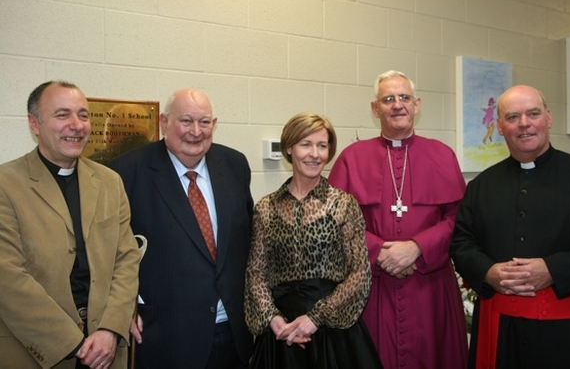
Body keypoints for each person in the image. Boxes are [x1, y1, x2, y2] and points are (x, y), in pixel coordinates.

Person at [450, 84, 570, 369]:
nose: (523, 123)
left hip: (567, 338)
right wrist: (488, 272)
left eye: (533, 113)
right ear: (499, 126)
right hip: (500, 336)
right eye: (512, 117)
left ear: (548, 118)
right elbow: (461, 244)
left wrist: (552, 270)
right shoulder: (481, 186)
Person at [328, 71, 468, 369]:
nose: (397, 105)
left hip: (430, 290)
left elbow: (459, 218)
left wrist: (417, 247)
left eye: (404, 97)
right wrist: (379, 252)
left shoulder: (443, 155)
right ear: (375, 108)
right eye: (388, 99)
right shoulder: (351, 158)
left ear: (417, 105)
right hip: (372, 288)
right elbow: (336, 220)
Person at [109, 88, 254, 368]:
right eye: (186, 121)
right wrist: (121, 308)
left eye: (204, 122)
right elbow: (111, 252)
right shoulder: (127, 172)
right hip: (165, 334)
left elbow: (246, 240)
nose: (196, 131)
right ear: (164, 122)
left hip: (233, 332)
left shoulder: (235, 165)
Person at [0, 81, 140, 369]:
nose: (77, 125)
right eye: (62, 115)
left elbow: (126, 259)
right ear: (34, 124)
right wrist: (73, 343)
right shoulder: (6, 184)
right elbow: (7, 276)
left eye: (84, 115)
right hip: (36, 349)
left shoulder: (109, 182)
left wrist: (111, 328)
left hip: (106, 349)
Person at [244, 112, 383, 369]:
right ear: (289, 148)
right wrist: (273, 320)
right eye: (306, 144)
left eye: (322, 146)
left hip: (331, 332)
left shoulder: (343, 204)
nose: (315, 154)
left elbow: (359, 273)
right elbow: (256, 273)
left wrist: (315, 318)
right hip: (280, 335)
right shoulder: (266, 207)